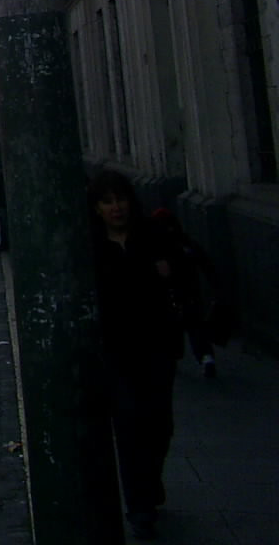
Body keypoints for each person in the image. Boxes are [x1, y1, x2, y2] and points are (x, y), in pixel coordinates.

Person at [89, 171, 181, 541]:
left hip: (157, 346)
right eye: (108, 201)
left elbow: (183, 279)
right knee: (128, 424)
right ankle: (139, 505)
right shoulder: (91, 247)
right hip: (114, 351)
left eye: (120, 199)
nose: (116, 207)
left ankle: (150, 482)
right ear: (96, 208)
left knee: (159, 425)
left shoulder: (153, 238)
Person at [149, 208, 220, 379]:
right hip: (190, 293)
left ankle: (173, 360)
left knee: (171, 330)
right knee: (195, 328)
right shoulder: (186, 243)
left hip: (169, 296)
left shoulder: (156, 247)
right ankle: (206, 358)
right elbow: (206, 264)